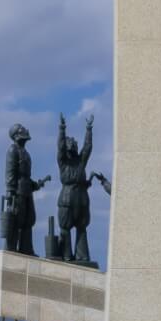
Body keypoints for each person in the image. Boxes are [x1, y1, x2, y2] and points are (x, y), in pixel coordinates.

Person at [0, 124, 48, 256]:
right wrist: (10, 191)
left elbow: (26, 175)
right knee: (16, 219)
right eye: (21, 129)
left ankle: (26, 248)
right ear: (16, 135)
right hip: (17, 192)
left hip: (27, 190)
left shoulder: (25, 152)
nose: (25, 130)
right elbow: (10, 172)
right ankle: (11, 248)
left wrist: (35, 185)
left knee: (29, 219)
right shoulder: (13, 150)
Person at [55, 113, 97, 264]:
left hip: (81, 199)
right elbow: (60, 148)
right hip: (67, 199)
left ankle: (82, 257)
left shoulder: (81, 161)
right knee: (65, 229)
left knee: (82, 228)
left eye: (74, 145)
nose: (72, 147)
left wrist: (89, 129)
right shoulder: (63, 162)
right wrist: (62, 129)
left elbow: (88, 147)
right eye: (70, 145)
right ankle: (66, 256)